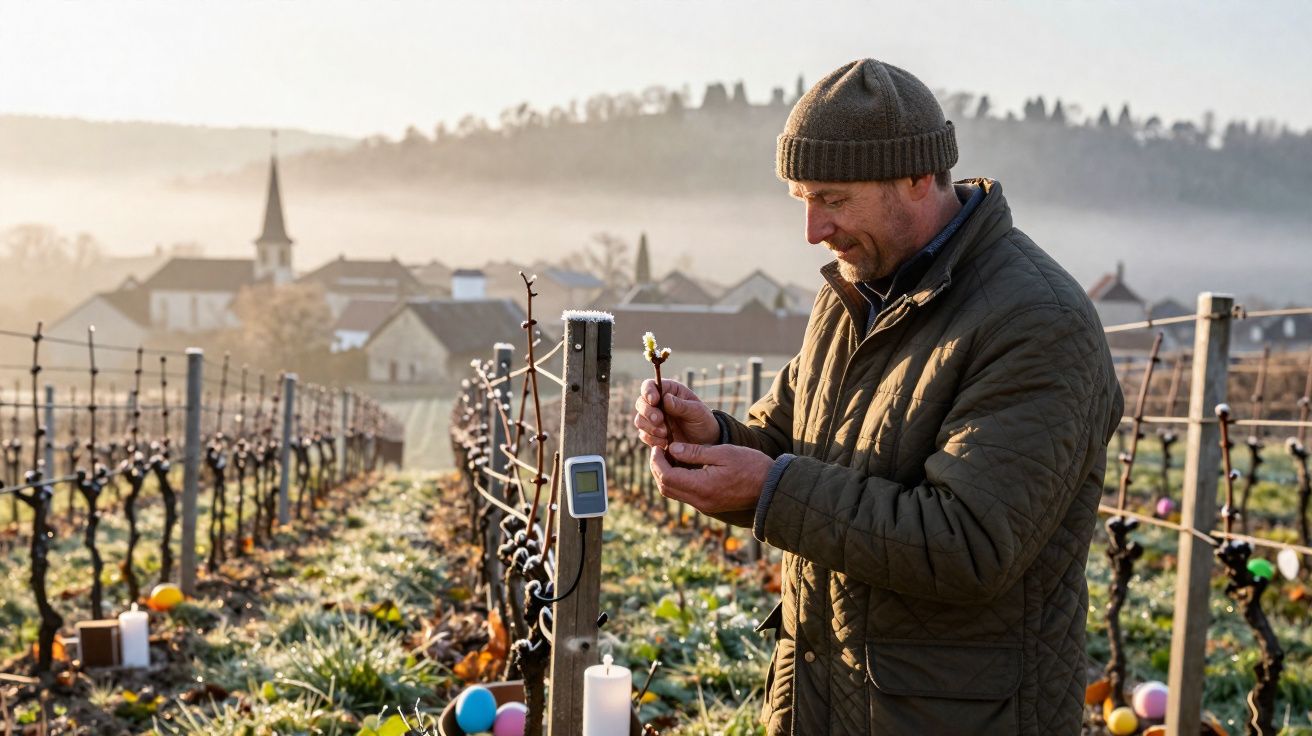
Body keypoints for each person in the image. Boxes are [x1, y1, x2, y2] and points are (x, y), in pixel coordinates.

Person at [632, 58, 1123, 735]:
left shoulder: (1038, 321)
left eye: (832, 200)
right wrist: (711, 439)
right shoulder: (850, 295)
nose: (813, 230)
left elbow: (970, 544)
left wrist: (770, 487)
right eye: (802, 200)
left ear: (918, 176)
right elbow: (786, 445)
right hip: (820, 699)